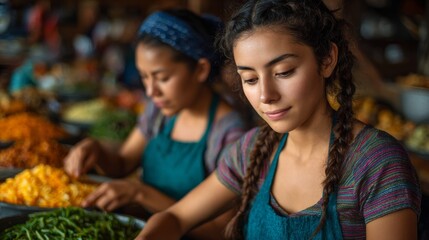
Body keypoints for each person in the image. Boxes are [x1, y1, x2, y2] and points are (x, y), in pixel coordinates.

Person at [135, 0, 421, 239]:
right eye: (249, 78)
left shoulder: (377, 162)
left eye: (284, 72)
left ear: (326, 60)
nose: (266, 95)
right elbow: (175, 217)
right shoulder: (252, 151)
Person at [63, 9, 249, 240]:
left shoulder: (230, 133)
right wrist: (96, 151)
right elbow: (122, 163)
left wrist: (140, 194)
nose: (151, 91)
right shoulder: (160, 111)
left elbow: (219, 230)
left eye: (162, 78)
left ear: (201, 69)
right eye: (144, 77)